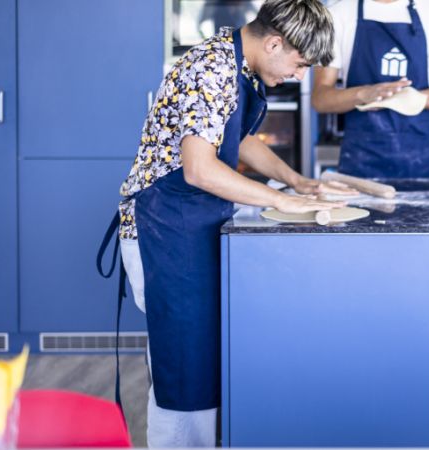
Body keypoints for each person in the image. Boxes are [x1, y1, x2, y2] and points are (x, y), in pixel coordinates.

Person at [112, 1, 354, 446]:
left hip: (191, 227)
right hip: (164, 229)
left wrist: (296, 181)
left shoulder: (237, 64)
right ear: (274, 43)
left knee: (204, 362)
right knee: (184, 369)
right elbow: (198, 169)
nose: (299, 75)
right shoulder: (211, 68)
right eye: (300, 64)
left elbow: (237, 138)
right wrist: (283, 201)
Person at [312, 0, 429, 178]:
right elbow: (320, 98)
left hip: (422, 158)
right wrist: (364, 94)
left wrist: (405, 99)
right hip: (362, 160)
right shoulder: (336, 15)